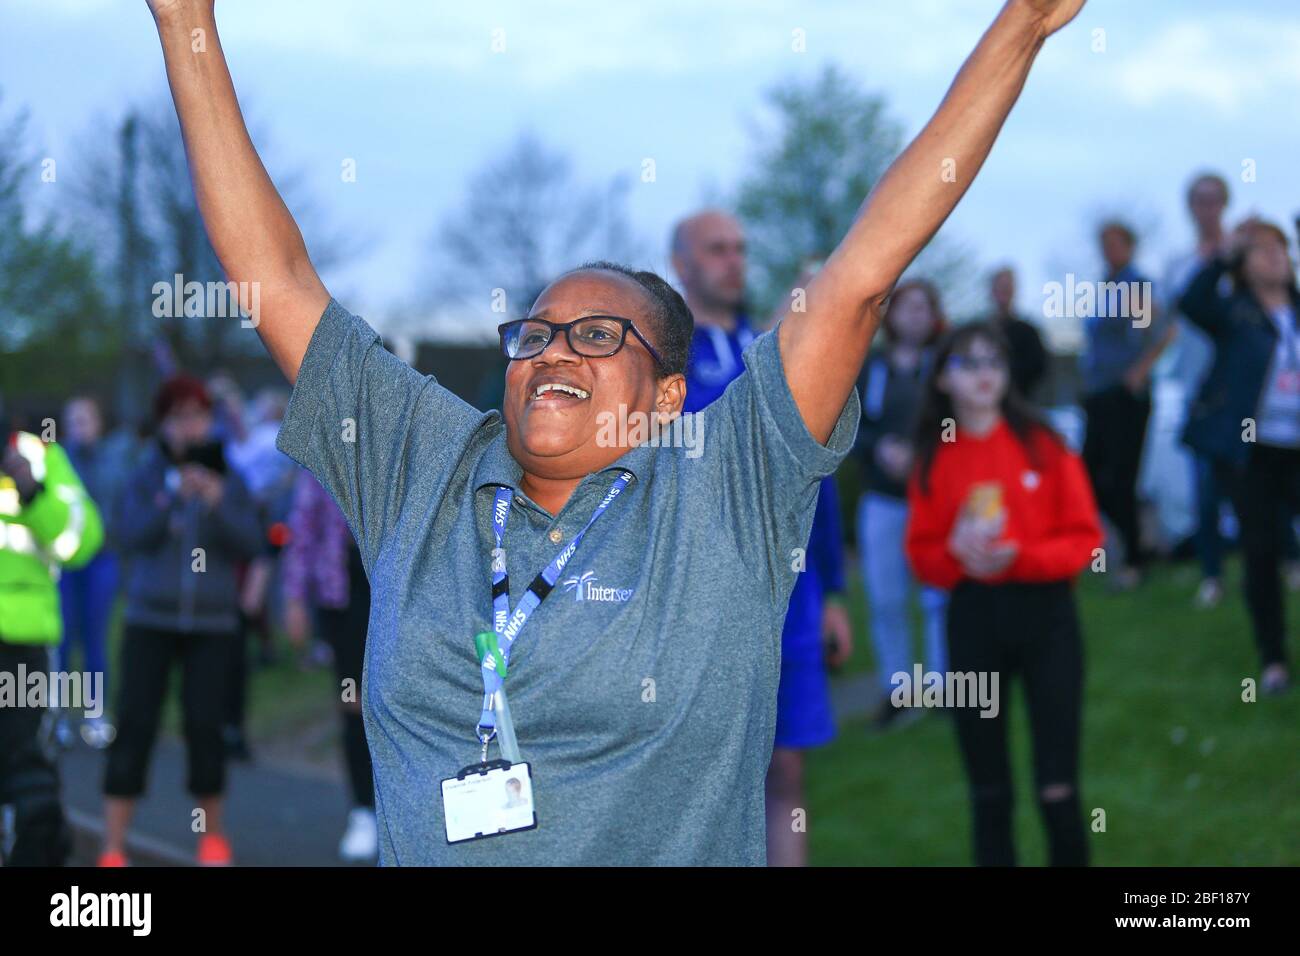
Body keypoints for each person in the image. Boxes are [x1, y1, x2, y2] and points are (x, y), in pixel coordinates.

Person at [142, 0, 1087, 864]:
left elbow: (860, 277)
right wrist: (186, 19)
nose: (554, 352)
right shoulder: (419, 460)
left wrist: (1023, 27)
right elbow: (271, 274)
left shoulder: (729, 483)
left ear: (668, 395)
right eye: (537, 334)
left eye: (599, 336)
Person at [671, 213, 852, 867]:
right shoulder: (663, 355)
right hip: (699, 603)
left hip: (791, 600)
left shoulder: (770, 341)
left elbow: (817, 475)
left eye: (741, 248)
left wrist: (833, 589)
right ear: (681, 263)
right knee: (700, 786)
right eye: (717, 249)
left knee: (787, 776)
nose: (734, 260)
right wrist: (783, 342)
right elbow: (705, 435)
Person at [906, 323, 1101, 866]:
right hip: (974, 620)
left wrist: (1022, 556)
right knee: (989, 790)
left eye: (994, 361)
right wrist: (956, 554)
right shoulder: (935, 455)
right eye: (968, 363)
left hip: (1048, 619)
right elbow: (921, 556)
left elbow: (1085, 538)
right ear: (943, 378)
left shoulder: (1044, 443)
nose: (984, 373)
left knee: (1056, 784)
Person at [99, 375, 264, 866]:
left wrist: (214, 501)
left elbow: (253, 541)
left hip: (212, 626)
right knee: (135, 724)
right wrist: (171, 495)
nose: (191, 426)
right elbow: (129, 534)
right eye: (180, 417)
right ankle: (112, 845)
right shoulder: (145, 474)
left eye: (199, 416)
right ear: (164, 423)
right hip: (150, 619)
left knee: (205, 728)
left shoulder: (228, 474)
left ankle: (212, 840)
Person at [1180, 218, 1300, 695]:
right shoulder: (1234, 312)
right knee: (1261, 550)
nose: (1273, 257)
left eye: (1280, 249)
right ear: (1244, 267)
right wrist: (1225, 253)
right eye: (1261, 251)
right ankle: (1273, 659)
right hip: (1253, 452)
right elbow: (1190, 303)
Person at [0, 399, 104, 865]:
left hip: (25, 644)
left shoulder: (39, 455)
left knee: (32, 782)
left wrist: (31, 488)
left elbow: (80, 541)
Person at [854, 279, 948, 731]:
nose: (914, 315)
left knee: (938, 596)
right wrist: (880, 450)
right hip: (883, 501)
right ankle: (898, 689)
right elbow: (851, 427)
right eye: (906, 307)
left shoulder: (944, 368)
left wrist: (924, 453)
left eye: (922, 307)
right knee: (886, 598)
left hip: (935, 500)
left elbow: (958, 424)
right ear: (891, 316)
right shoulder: (872, 369)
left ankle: (943, 687)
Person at [282, 466, 377, 862]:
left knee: (397, 700)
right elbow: (303, 528)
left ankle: (401, 808)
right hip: (343, 592)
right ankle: (364, 810)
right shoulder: (324, 456)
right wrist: (293, 597)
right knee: (353, 705)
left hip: (392, 584)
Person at [1079, 221, 1174, 588]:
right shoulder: (1107, 285)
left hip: (1124, 396)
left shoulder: (1135, 284)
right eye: (1103, 243)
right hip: (1099, 395)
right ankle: (1136, 544)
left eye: (1115, 243)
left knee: (1121, 476)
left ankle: (1134, 560)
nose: (1108, 249)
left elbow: (1164, 331)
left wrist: (1139, 370)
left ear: (1130, 246)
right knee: (1089, 475)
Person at [56, 396, 132, 750]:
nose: (79, 427)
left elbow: (120, 510)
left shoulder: (113, 462)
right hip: (65, 564)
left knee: (95, 640)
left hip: (101, 561)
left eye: (85, 420)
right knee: (61, 641)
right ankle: (55, 716)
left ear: (98, 423)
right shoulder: (57, 462)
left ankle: (95, 713)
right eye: (73, 421)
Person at [986, 266, 1049, 401]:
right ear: (992, 290)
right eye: (1000, 287)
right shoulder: (981, 332)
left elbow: (1038, 368)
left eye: (1007, 288)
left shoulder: (1028, 332)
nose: (1003, 292)